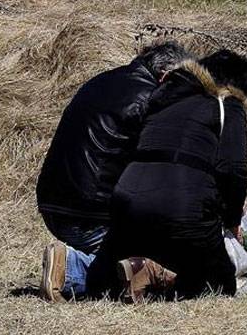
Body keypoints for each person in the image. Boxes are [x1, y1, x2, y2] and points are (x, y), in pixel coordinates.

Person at [86, 49, 247, 303]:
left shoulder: (165, 101)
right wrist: (231, 219)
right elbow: (232, 169)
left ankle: (67, 267)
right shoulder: (228, 105)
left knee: (102, 284)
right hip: (182, 206)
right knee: (219, 285)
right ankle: (155, 277)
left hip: (127, 200)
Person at [36, 41, 190, 302]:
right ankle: (71, 269)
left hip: (54, 205)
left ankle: (73, 264)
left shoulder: (101, 81)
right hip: (91, 216)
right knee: (162, 267)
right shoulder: (153, 100)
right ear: (166, 76)